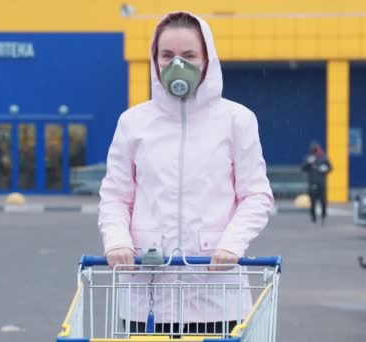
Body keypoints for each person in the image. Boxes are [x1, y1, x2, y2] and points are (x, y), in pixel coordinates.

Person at [97, 12, 274, 336]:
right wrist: (117, 241)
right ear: (155, 59)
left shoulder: (237, 120)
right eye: (167, 56)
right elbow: (115, 196)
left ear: (207, 59)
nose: (177, 65)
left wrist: (232, 244)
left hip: (218, 296)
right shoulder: (133, 123)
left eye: (189, 55)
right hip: (145, 297)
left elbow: (255, 195)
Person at [301, 141, 333, 225]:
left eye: (316, 150)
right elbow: (303, 168)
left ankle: (323, 216)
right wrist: (308, 162)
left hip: (322, 183)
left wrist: (325, 169)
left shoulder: (323, 157)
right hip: (312, 182)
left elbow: (331, 167)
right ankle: (313, 217)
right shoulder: (309, 157)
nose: (314, 152)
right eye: (313, 150)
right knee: (313, 201)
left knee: (323, 201)